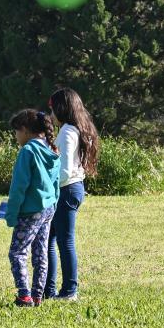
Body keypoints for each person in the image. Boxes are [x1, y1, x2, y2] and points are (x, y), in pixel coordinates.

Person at [45, 88, 98, 301]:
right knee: (50, 239)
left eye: (52, 110)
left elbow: (64, 171)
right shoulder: (76, 128)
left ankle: (68, 291)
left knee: (63, 241)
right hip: (72, 188)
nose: (50, 116)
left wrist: (48, 187)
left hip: (65, 190)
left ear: (61, 108)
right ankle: (48, 289)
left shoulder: (67, 131)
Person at [4, 109, 60, 307]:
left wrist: (11, 214)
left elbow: (19, 187)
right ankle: (38, 295)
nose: (16, 136)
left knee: (17, 252)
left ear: (26, 130)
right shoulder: (52, 149)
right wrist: (53, 204)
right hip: (48, 208)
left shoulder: (27, 151)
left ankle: (24, 295)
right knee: (40, 251)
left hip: (30, 211)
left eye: (16, 132)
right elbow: (55, 183)